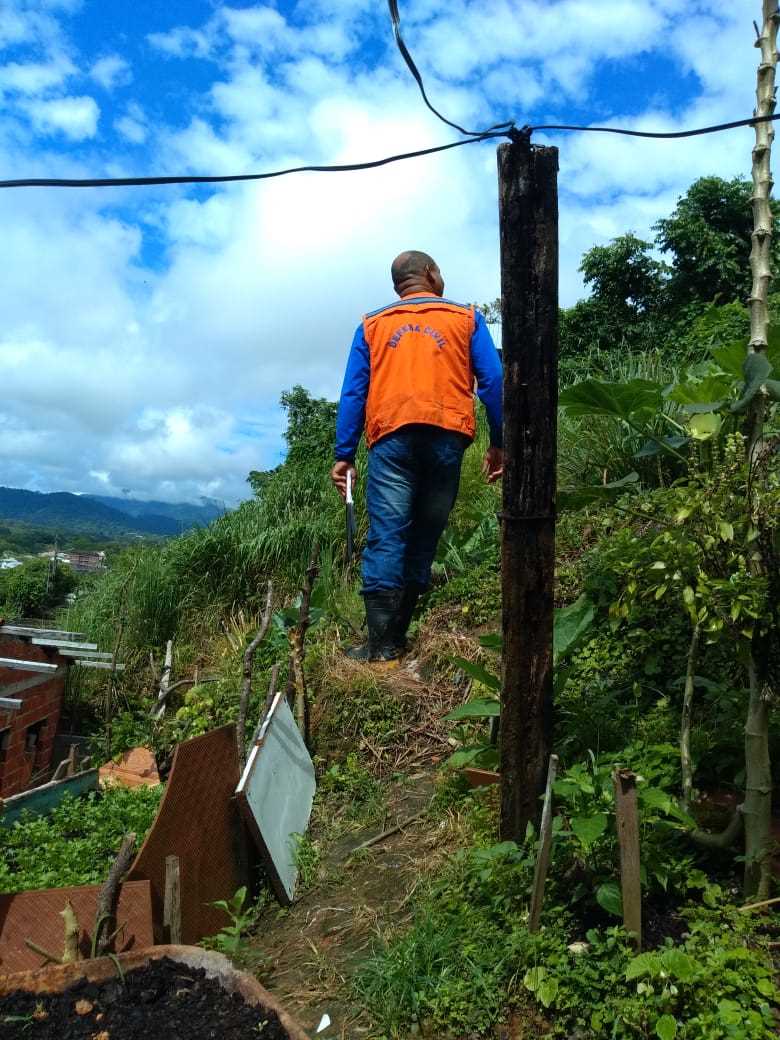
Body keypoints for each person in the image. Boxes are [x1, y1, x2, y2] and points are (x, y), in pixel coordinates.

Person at [331, 250, 503, 662]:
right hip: (447, 438)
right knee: (424, 536)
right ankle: (396, 636)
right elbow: (494, 381)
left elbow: (354, 393)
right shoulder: (465, 318)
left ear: (398, 285)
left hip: (392, 439)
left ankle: (382, 645)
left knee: (388, 535)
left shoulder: (373, 326)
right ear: (430, 273)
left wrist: (344, 454)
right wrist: (501, 440)